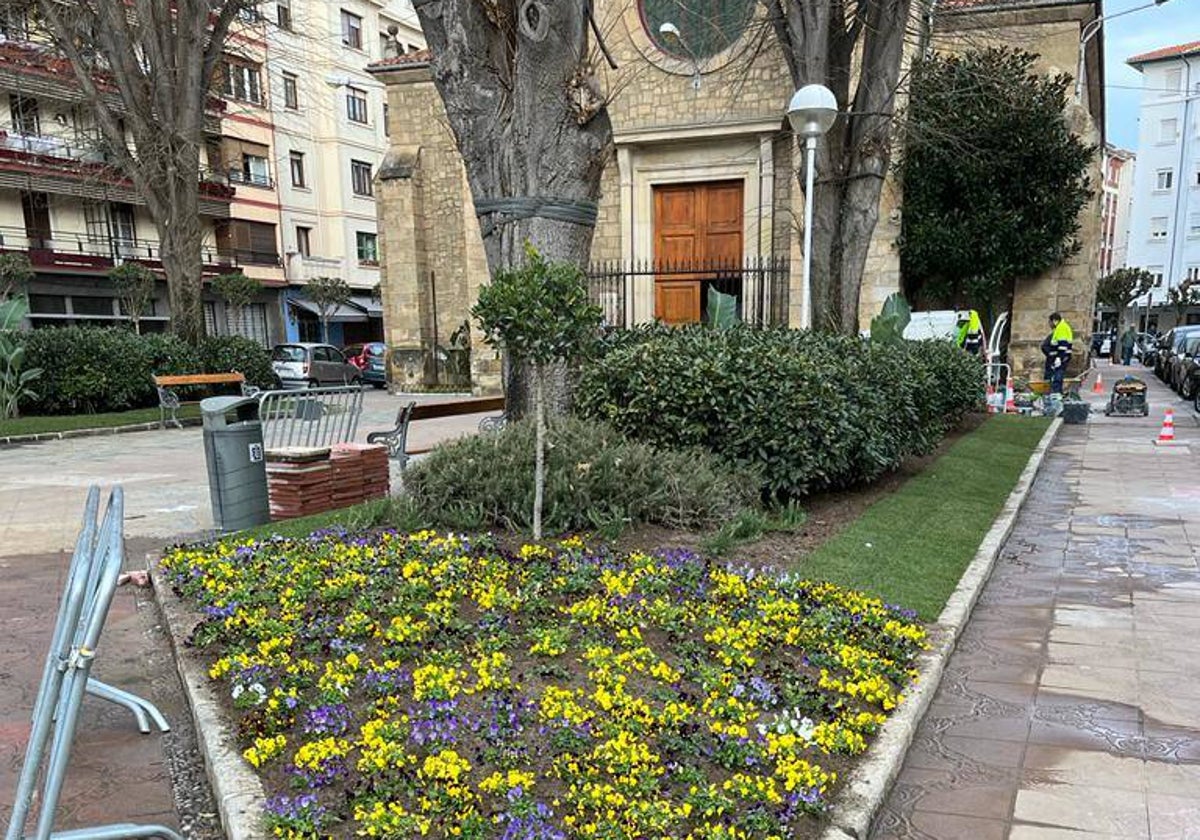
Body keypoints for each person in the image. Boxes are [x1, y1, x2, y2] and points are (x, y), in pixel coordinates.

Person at [1043, 312, 1074, 394]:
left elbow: (1062, 345)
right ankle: (1056, 394)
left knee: (1057, 378)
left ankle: (1056, 395)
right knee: (1057, 377)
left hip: (1061, 357)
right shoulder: (1060, 327)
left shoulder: (1061, 328)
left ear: (1054, 321)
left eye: (1050, 322)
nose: (1049, 324)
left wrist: (1059, 358)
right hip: (1061, 357)